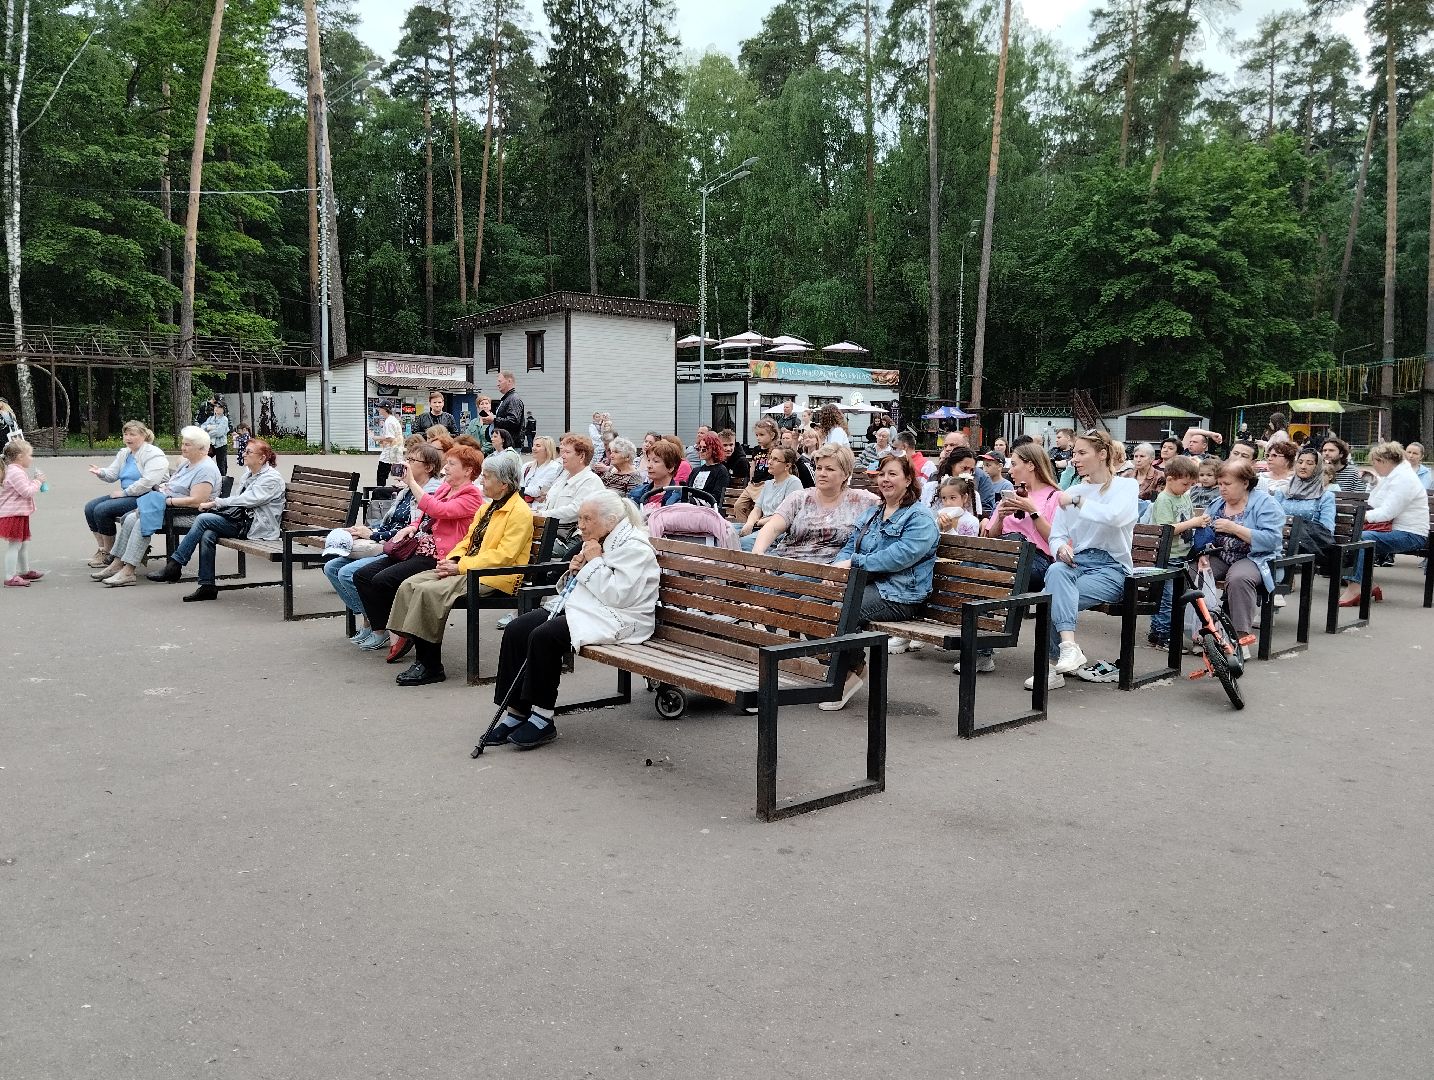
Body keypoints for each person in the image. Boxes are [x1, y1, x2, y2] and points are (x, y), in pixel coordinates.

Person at [485, 490, 659, 750]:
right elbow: (577, 585)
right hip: (589, 608)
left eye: (587, 519)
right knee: (517, 628)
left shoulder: (634, 547)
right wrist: (576, 568)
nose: (581, 526)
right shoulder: (599, 539)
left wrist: (593, 563)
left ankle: (543, 717)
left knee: (545, 636)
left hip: (622, 619)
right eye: (580, 518)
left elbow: (618, 596)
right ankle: (516, 711)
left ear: (610, 520)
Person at [387, 452, 534, 686]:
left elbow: (504, 556)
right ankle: (417, 650)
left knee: (429, 593)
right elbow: (468, 540)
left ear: (504, 484)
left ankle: (431, 665)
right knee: (410, 584)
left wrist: (461, 567)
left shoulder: (519, 512)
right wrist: (454, 560)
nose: (482, 481)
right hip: (471, 568)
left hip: (495, 576)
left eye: (487, 477)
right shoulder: (489, 508)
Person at [824, 454, 939, 705]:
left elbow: (899, 557)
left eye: (893, 474)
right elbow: (849, 546)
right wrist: (837, 570)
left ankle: (844, 677)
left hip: (901, 595)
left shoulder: (920, 518)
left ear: (909, 480)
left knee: (839, 610)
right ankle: (850, 666)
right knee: (810, 605)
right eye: (883, 474)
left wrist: (854, 563)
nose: (885, 480)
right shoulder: (871, 514)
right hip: (866, 586)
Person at [352, 445, 486, 650]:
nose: (446, 468)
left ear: (468, 470)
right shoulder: (446, 487)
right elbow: (427, 516)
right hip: (418, 547)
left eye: (451, 464)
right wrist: (412, 527)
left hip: (440, 555)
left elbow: (438, 509)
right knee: (363, 575)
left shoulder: (472, 496)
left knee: (383, 580)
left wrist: (411, 483)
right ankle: (385, 630)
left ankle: (400, 632)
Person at [1038, 430, 1140, 689]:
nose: (1075, 459)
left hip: (1112, 568)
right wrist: (1060, 548)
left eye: (1082, 453)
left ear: (1102, 454)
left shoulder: (1126, 486)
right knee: (1057, 572)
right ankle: (1069, 647)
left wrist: (1075, 501)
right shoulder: (1072, 489)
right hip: (1078, 562)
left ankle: (1052, 667)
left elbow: (1115, 517)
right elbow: (1057, 535)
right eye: (1074, 453)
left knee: (1052, 597)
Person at [330, 443, 444, 647]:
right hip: (386, 541)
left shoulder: (429, 491)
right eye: (406, 459)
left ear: (428, 467)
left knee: (350, 573)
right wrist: (366, 531)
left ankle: (378, 626)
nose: (405, 464)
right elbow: (390, 522)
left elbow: (413, 529)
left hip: (401, 548)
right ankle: (371, 621)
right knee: (332, 567)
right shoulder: (406, 490)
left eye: (411, 460)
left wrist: (374, 535)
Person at [147, 439, 285, 602]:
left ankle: (175, 565)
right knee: (208, 533)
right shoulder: (249, 474)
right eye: (244, 451)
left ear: (262, 458)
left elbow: (247, 500)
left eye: (248, 452)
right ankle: (207, 586)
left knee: (204, 519)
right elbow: (240, 502)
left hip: (258, 528)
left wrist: (215, 503)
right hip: (243, 522)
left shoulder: (271, 479)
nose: (244, 454)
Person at [95, 427, 220, 587]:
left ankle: (128, 571)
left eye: (188, 445)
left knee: (142, 520)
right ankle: (118, 564)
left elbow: (197, 501)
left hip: (190, 515)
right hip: (169, 510)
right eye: (183, 443)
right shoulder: (187, 464)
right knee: (131, 518)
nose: (183, 447)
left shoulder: (206, 469)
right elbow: (171, 485)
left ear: (203, 449)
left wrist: (166, 501)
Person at [1192, 459, 1285, 648]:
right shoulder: (1218, 504)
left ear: (1245, 483)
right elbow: (1206, 532)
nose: (1222, 489)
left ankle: (1240, 638)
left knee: (1239, 579)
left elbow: (1271, 540)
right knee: (1192, 573)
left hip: (1254, 558)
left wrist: (1234, 528)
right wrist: (1203, 552)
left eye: (1227, 484)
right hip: (1221, 555)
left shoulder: (1265, 503)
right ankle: (1203, 631)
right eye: (1219, 484)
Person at [1337, 441, 1431, 607]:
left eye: (1375, 462)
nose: (1374, 466)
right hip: (1397, 529)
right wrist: (1374, 482)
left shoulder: (1405, 479)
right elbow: (1378, 501)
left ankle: (1356, 585)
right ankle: (1368, 585)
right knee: (1356, 536)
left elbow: (1388, 512)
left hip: (1411, 534)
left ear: (1384, 461)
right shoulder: (1397, 475)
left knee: (1363, 537)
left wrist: (1362, 517)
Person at [752, 444, 879, 562]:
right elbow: (773, 527)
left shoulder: (862, 500)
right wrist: (758, 552)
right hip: (784, 561)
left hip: (822, 572)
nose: (822, 474)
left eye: (829, 469)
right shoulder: (799, 498)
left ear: (845, 474)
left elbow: (892, 505)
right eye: (819, 468)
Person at [84, 420, 170, 568]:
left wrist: (124, 493)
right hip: (129, 494)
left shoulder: (154, 454)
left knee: (102, 510)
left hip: (147, 496)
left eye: (132, 434)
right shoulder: (125, 453)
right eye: (125, 434)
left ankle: (110, 553)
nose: (128, 437)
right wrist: (101, 472)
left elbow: (148, 483)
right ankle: (103, 549)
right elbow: (112, 474)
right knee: (90, 507)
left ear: (143, 436)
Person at [985, 442, 1062, 589]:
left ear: (1031, 466)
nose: (1010, 471)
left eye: (1014, 464)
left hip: (1036, 561)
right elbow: (992, 537)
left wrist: (1033, 512)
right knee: (971, 568)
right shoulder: (1011, 496)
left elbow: (1057, 540)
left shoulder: (1055, 497)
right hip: (1004, 553)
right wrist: (1000, 518)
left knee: (982, 569)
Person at [1146, 455, 1200, 649]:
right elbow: (1166, 529)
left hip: (1183, 554)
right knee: (1166, 598)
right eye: (1185, 484)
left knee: (1177, 597)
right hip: (1167, 556)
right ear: (1170, 479)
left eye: (1191, 485)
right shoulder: (1164, 499)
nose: (1187, 488)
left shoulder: (1184, 496)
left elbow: (1190, 517)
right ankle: (1163, 635)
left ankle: (1157, 631)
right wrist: (1192, 523)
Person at [1274, 446, 1337, 569]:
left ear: (1317, 467)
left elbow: (1327, 530)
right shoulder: (1282, 492)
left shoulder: (1325, 496)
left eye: (1309, 463)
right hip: (1278, 540)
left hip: (1307, 545)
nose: (1303, 466)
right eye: (1300, 462)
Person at [738, 447, 802, 550]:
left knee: (743, 542)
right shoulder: (768, 484)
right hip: (759, 525)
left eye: (776, 459)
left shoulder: (793, 482)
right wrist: (749, 524)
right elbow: (757, 509)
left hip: (777, 531)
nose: (770, 462)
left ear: (787, 465)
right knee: (727, 531)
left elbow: (788, 515)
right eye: (770, 458)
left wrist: (759, 522)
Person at [534, 432, 605, 525]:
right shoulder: (563, 477)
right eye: (563, 452)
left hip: (567, 534)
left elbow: (576, 510)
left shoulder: (591, 481)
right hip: (548, 528)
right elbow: (549, 504)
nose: (562, 456)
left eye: (567, 452)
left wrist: (542, 514)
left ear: (582, 456)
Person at [0, 438, 44, 587]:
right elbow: (26, 492)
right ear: (20, 457)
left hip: (18, 513)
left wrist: (34, 481)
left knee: (23, 544)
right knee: (15, 545)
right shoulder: (15, 472)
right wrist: (38, 481)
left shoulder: (15, 471)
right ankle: (9, 577)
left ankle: (24, 570)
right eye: (30, 455)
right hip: (13, 514)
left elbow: (23, 489)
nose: (31, 459)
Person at [630, 438, 686, 512]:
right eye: (649, 460)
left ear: (671, 467)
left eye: (656, 461)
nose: (649, 466)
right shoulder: (636, 492)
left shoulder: (679, 497)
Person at [686, 431, 731, 499]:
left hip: (708, 506)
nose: (701, 451)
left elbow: (717, 496)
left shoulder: (721, 471)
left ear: (713, 449)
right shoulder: (696, 470)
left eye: (704, 449)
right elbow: (688, 490)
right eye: (699, 448)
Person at [521, 436, 563, 504]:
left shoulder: (554, 467)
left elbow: (539, 491)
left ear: (547, 449)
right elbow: (520, 484)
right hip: (522, 505)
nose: (533, 448)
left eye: (538, 446)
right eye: (533, 445)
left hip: (540, 509)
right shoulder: (527, 466)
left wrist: (520, 490)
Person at [492, 370, 526, 451]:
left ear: (509, 381)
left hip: (510, 445)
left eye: (500, 381)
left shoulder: (513, 399)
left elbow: (513, 421)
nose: (497, 384)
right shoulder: (508, 398)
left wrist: (494, 419)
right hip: (506, 444)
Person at [375, 401, 404, 487]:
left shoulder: (389, 422)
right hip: (396, 450)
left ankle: (380, 493)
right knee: (396, 473)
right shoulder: (393, 419)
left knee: (381, 474)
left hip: (390, 452)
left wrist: (378, 438)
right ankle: (399, 488)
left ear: (384, 409)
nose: (379, 409)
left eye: (380, 408)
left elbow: (390, 438)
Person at [202, 401, 231, 476]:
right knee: (204, 459)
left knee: (221, 464)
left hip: (221, 444)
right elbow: (203, 427)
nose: (216, 409)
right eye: (215, 407)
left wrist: (209, 431)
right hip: (211, 444)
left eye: (219, 407)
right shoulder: (211, 418)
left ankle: (222, 480)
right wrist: (209, 427)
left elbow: (219, 432)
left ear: (223, 409)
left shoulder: (224, 419)